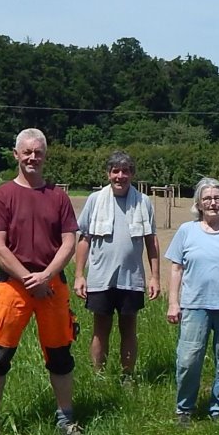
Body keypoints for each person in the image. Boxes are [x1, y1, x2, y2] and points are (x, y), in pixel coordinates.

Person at [0, 128, 82, 435]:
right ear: (16, 155)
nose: (32, 157)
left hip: (52, 288)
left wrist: (47, 276)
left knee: (60, 355)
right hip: (12, 288)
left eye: (38, 152)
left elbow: (69, 242)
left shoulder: (58, 197)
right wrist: (28, 278)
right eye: (27, 152)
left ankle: (66, 418)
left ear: (45, 156)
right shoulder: (2, 196)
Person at [165, 178, 219, 426]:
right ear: (199, 204)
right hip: (194, 306)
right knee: (188, 360)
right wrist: (174, 303)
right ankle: (185, 409)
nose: (213, 203)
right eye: (207, 199)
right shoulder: (186, 231)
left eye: (217, 198)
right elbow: (176, 269)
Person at [73, 150, 160, 376]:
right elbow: (84, 239)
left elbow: (151, 240)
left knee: (129, 329)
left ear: (132, 174)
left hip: (131, 279)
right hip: (100, 279)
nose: (120, 176)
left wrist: (155, 277)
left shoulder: (143, 202)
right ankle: (98, 376)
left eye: (125, 171)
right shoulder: (95, 200)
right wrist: (79, 275)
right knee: (100, 329)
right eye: (115, 171)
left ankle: (127, 377)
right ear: (108, 174)